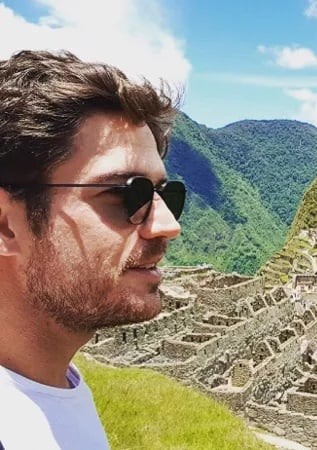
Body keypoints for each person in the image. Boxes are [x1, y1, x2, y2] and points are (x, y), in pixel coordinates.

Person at [0, 50, 185, 450]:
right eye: (125, 194)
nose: (169, 225)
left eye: (166, 194)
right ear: (5, 225)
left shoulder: (54, 387)